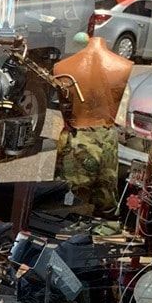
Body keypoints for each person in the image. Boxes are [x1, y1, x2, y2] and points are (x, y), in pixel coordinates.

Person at [53, 28, 133, 215]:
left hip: (77, 137)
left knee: (72, 195)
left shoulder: (63, 66)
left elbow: (65, 107)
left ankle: (72, 223)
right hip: (105, 137)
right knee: (103, 196)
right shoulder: (122, 65)